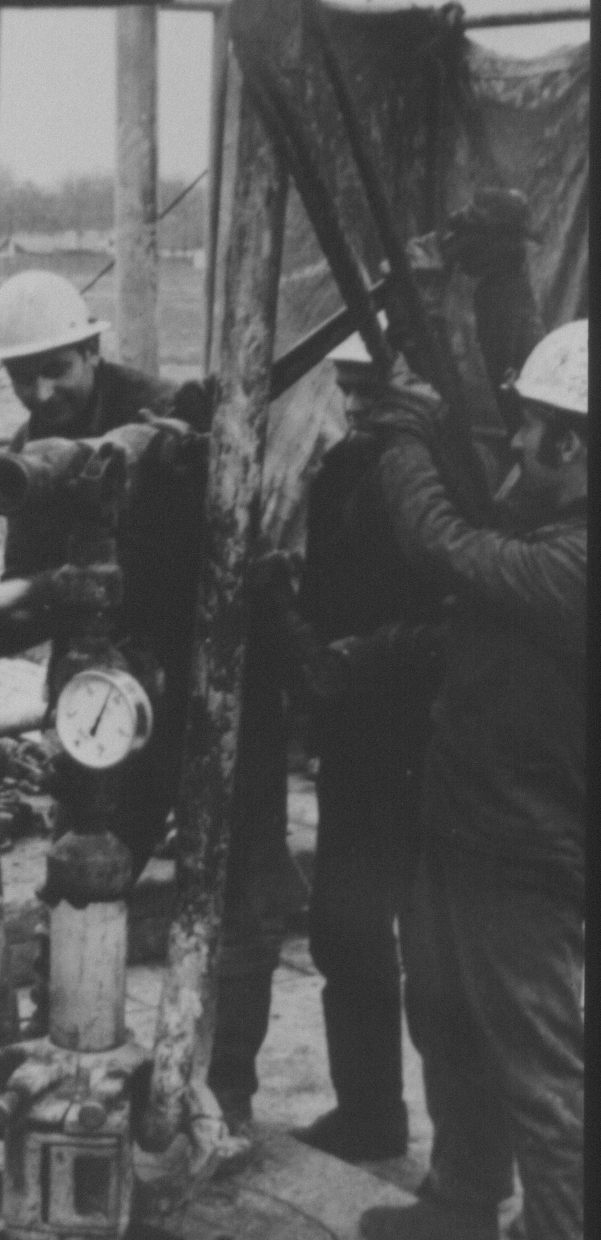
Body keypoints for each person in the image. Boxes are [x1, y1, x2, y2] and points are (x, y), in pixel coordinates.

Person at [0, 271, 297, 1149]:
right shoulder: (32, 455)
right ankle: (62, 1049)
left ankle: (222, 1091)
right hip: (111, 700)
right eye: (23, 378)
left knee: (235, 886)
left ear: (91, 350)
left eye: (55, 370)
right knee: (80, 871)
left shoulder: (174, 419)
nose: (41, 392)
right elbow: (26, 592)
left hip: (219, 678)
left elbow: (237, 541)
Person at [357, 321, 587, 1240]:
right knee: (448, 1018)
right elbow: (474, 621)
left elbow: (446, 548)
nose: (515, 442)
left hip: (526, 848)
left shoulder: (577, 561)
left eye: (532, 427)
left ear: (572, 443)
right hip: (465, 819)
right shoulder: (553, 529)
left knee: (542, 1065)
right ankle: (461, 1202)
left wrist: (406, 438)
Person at [284, 321, 447, 1163]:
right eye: (345, 389)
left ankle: (468, 1164)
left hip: (432, 738)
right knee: (346, 930)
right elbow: (323, 589)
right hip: (357, 734)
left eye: (369, 390)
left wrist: (368, 657)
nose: (353, 406)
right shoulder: (343, 469)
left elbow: (463, 610)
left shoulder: (446, 471)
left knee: (439, 957)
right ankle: (371, 1113)